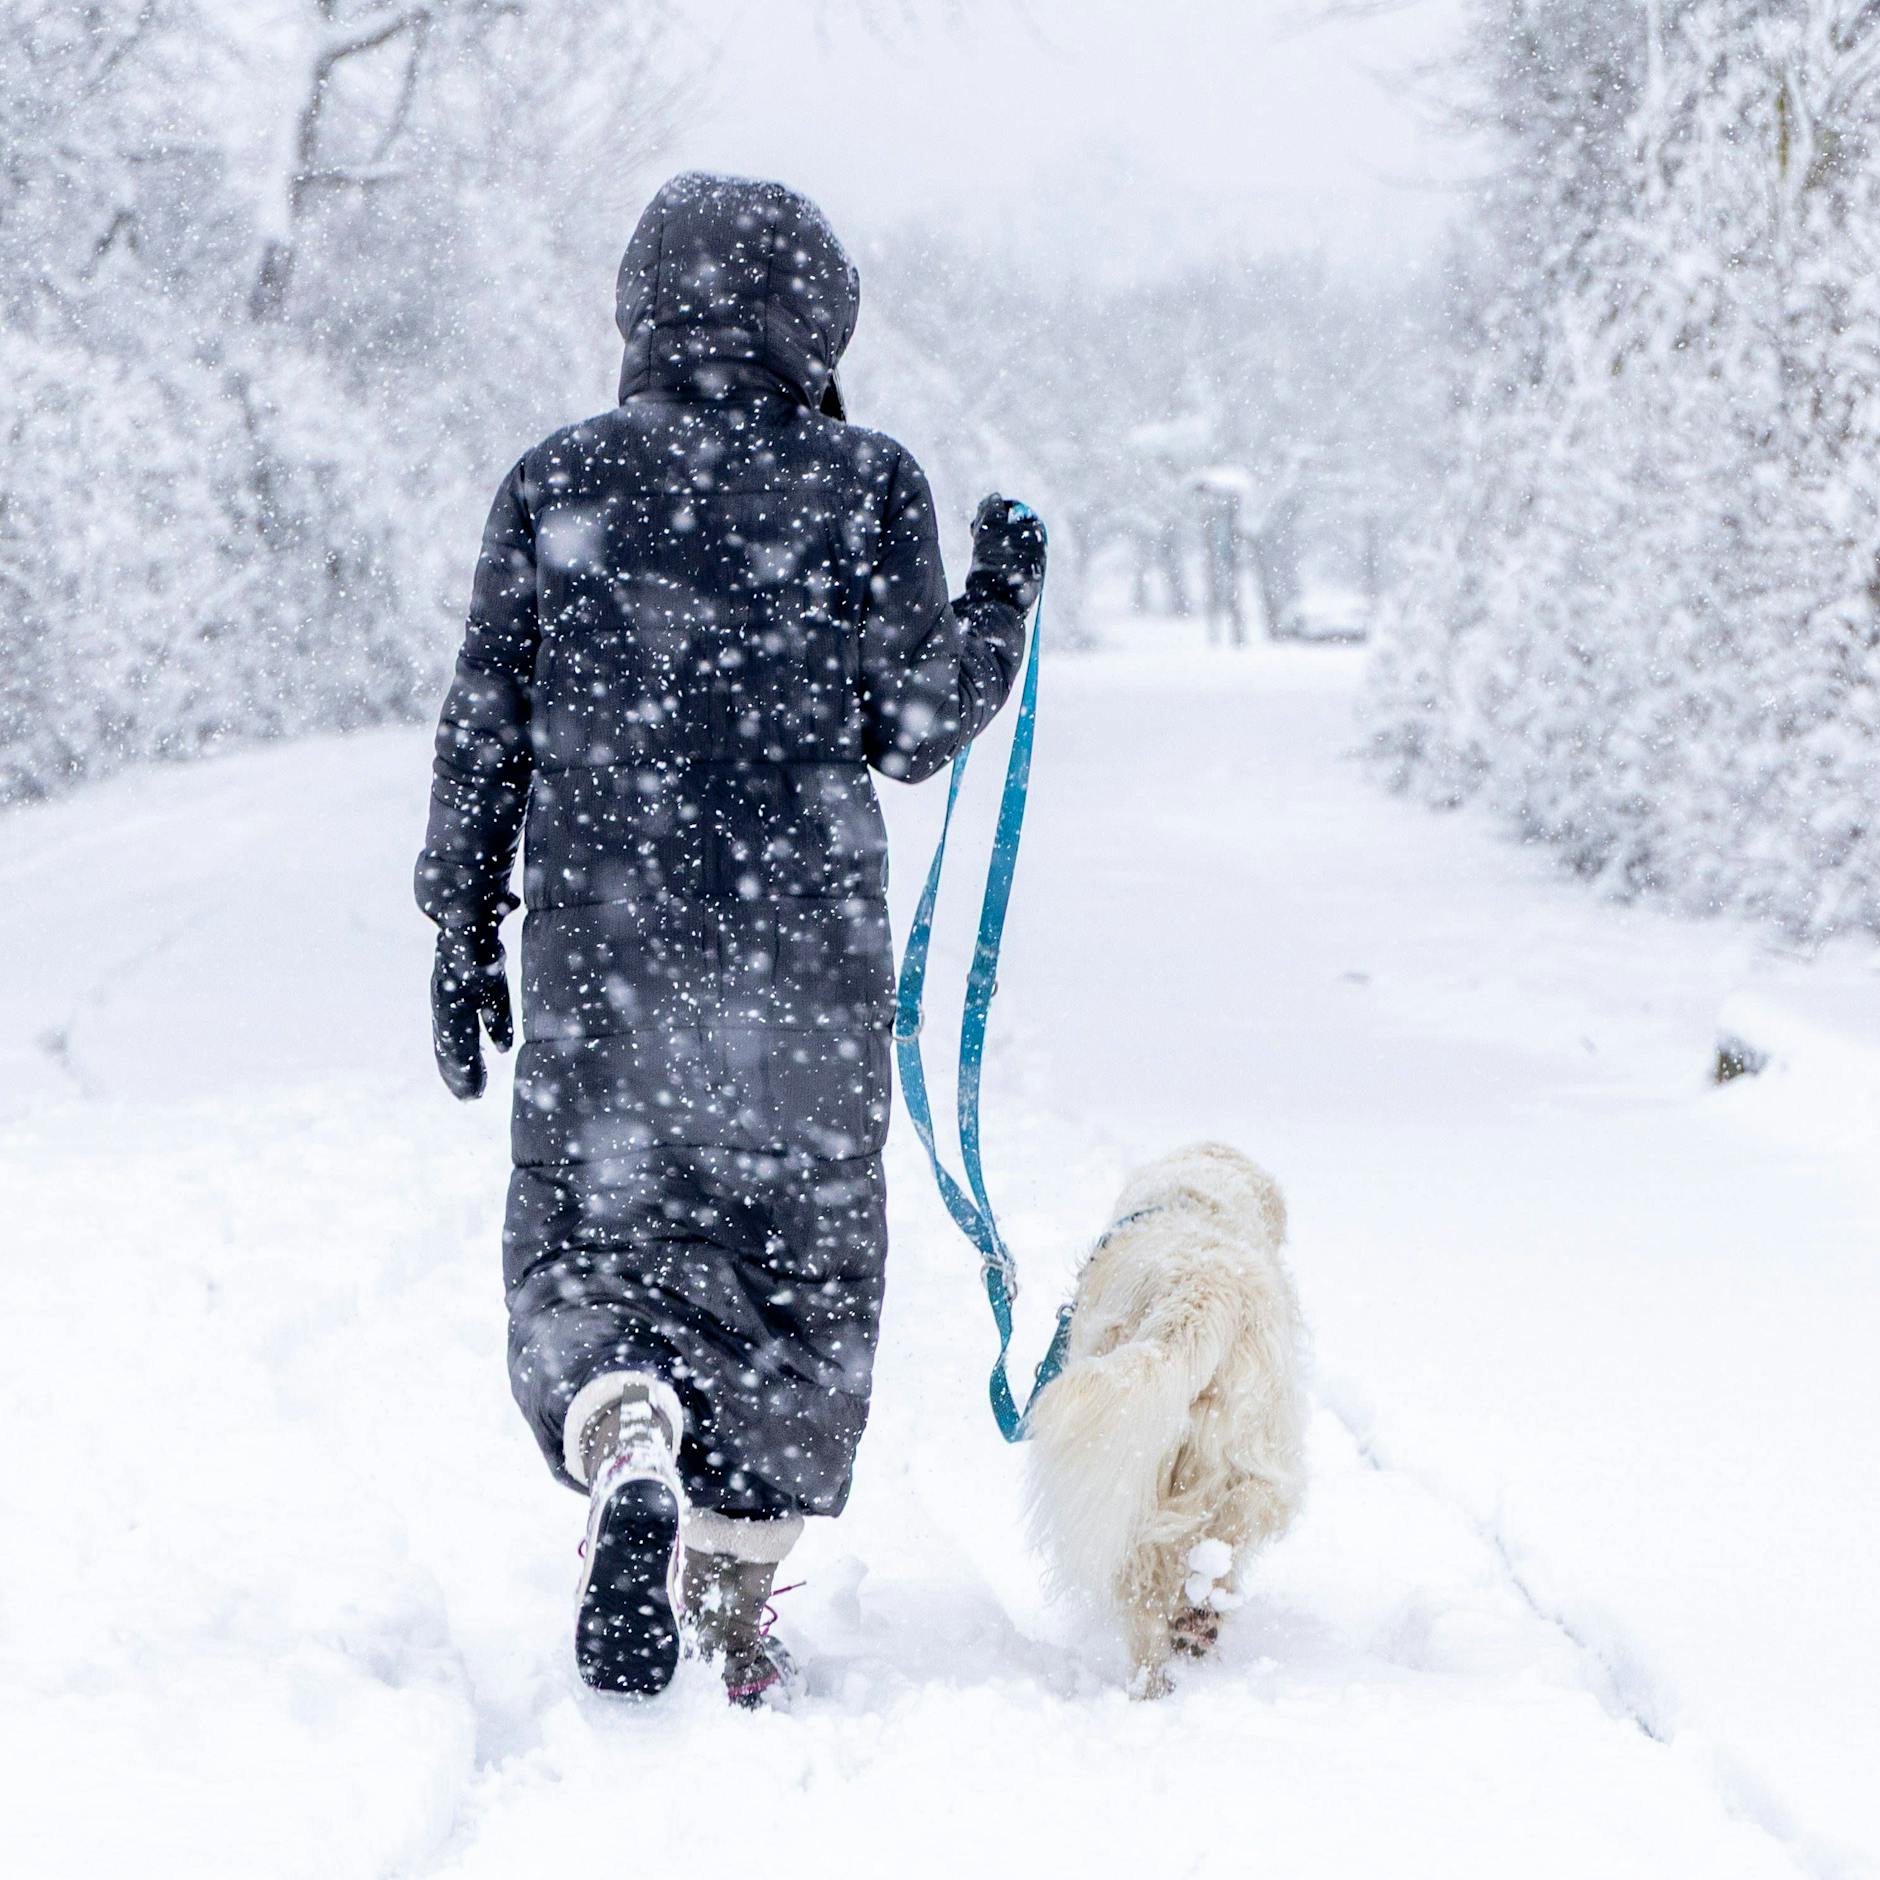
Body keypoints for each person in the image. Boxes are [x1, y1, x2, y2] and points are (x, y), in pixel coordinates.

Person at [414, 172, 1044, 1705]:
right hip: (800, 965)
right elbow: (906, 727)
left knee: (593, 1237)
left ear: (640, 307)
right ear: (816, 316)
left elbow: (485, 724)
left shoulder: (560, 477)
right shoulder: (867, 482)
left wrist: (458, 923)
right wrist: (1002, 601)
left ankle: (622, 1421)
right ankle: (735, 1595)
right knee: (797, 1271)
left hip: (604, 957)